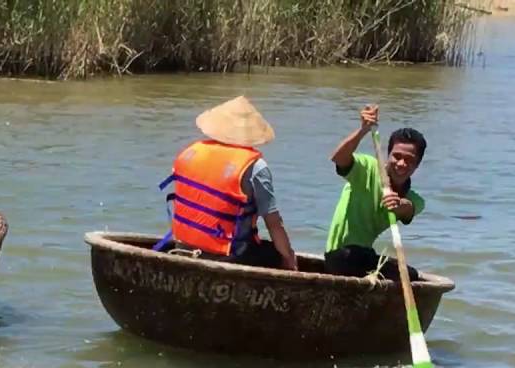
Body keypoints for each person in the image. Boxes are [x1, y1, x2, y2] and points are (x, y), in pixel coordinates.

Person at [158, 96, 298, 271]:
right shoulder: (255, 167)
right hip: (229, 257)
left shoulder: (189, 153)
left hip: (182, 248)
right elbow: (274, 223)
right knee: (276, 253)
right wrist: (289, 258)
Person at [325, 104, 426, 281]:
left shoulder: (414, 199)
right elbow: (338, 158)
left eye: (409, 160)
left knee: (411, 275)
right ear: (389, 155)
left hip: (365, 255)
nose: (401, 164)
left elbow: (409, 208)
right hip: (341, 254)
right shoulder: (367, 167)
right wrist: (363, 130)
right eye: (397, 156)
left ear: (417, 165)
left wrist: (399, 204)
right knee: (354, 256)